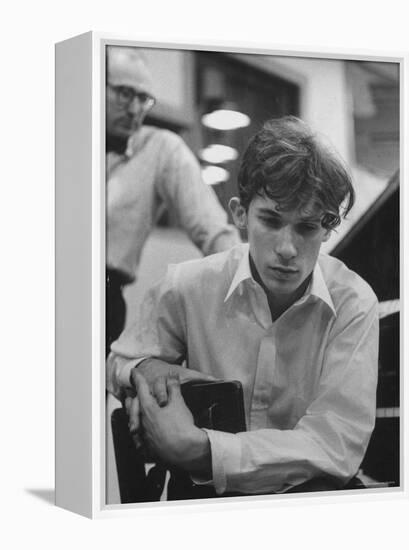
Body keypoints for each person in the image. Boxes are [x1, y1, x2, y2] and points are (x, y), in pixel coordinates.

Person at [107, 116, 379, 496]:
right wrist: (144, 367)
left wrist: (202, 450)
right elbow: (117, 361)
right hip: (206, 497)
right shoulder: (188, 284)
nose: (287, 249)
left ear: (328, 226)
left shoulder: (354, 302)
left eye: (307, 227)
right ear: (240, 213)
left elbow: (335, 445)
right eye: (271, 219)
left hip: (307, 497)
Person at [105, 46, 240, 354]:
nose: (135, 108)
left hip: (105, 296)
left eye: (143, 98)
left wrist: (245, 277)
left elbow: (212, 227)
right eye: (125, 93)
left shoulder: (160, 148)